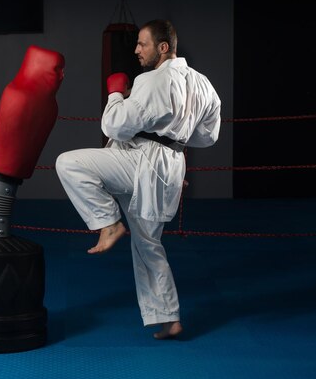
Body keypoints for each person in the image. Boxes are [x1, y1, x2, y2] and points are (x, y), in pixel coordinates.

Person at [55, 19, 221, 339]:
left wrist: (117, 94)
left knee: (70, 163)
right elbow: (209, 136)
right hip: (169, 167)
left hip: (139, 162)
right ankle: (169, 318)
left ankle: (108, 222)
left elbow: (114, 126)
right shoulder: (203, 84)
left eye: (142, 44)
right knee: (147, 244)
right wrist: (174, 138)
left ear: (162, 47)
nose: (136, 50)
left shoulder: (150, 80)